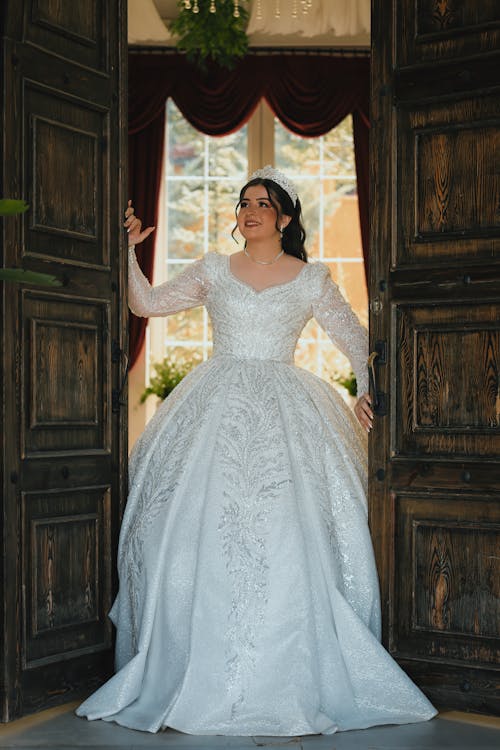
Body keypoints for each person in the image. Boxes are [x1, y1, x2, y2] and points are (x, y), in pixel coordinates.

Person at [76, 166, 436, 735]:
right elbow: (144, 303)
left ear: (285, 218)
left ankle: (288, 669)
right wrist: (125, 251)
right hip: (213, 399)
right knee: (190, 521)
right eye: (244, 202)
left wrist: (369, 390)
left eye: (262, 204)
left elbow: (358, 341)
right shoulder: (214, 270)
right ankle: (185, 664)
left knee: (291, 528)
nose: (249, 211)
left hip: (287, 402)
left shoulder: (311, 278)